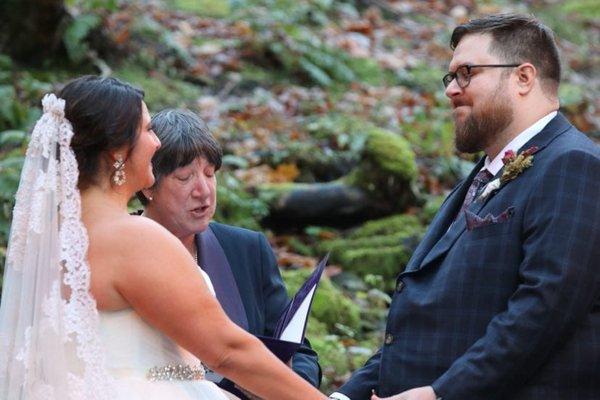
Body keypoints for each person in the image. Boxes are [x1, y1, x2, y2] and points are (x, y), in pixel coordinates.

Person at [0, 75, 327, 400]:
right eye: (147, 129)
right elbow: (228, 351)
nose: (156, 142)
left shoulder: (47, 238)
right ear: (118, 151)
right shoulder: (132, 239)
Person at [331, 14, 600, 400]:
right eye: (450, 77)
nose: (451, 90)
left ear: (524, 77)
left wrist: (441, 394)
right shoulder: (482, 175)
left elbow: (543, 311)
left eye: (467, 73)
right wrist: (347, 395)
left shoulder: (573, 165)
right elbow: (437, 317)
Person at [137, 108, 321, 391]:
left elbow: (298, 352)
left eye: (210, 174)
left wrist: (285, 386)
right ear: (149, 184)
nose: (204, 191)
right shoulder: (125, 251)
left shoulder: (246, 248)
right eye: (185, 178)